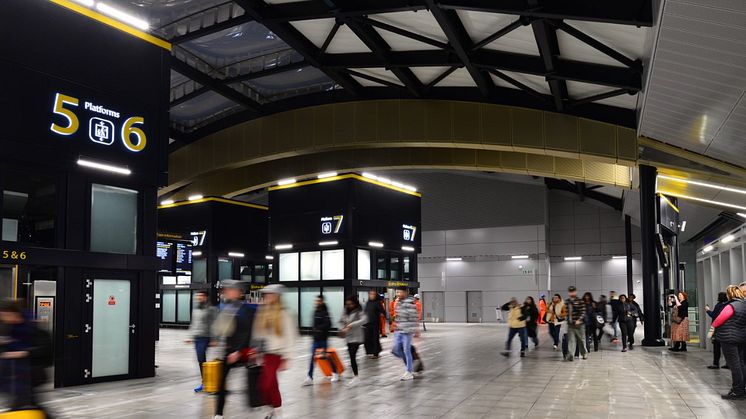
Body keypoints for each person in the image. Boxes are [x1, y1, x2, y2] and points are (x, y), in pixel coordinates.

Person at [0, 299, 54, 417]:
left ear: (14, 314)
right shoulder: (8, 328)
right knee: (30, 405)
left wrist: (23, 353)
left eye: (5, 315)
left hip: (31, 375)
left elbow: (44, 349)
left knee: (24, 405)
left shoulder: (32, 326)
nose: (4, 319)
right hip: (15, 376)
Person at [213, 280, 257, 419]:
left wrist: (238, 351)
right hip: (228, 351)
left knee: (250, 381)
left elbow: (249, 332)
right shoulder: (225, 308)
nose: (228, 292)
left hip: (241, 351)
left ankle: (258, 404)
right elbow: (222, 330)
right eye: (227, 290)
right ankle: (219, 414)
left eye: (231, 290)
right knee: (220, 383)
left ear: (239, 292)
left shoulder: (248, 309)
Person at [253, 284, 297, 418]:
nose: (267, 297)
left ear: (276, 297)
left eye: (270, 294)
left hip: (277, 355)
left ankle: (276, 410)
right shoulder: (262, 312)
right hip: (265, 354)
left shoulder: (284, 314)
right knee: (269, 385)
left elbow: (291, 336)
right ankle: (274, 409)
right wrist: (257, 352)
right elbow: (258, 334)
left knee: (266, 385)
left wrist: (287, 357)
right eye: (266, 295)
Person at [710, 285, 746, 399]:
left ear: (730, 294)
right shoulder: (744, 305)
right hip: (740, 337)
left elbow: (718, 320)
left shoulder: (731, 306)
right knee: (741, 363)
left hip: (728, 338)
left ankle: (737, 391)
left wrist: (711, 331)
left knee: (734, 364)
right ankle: (742, 388)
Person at [185, 290, 216, 393]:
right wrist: (190, 336)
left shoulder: (211, 309)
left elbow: (214, 324)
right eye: (198, 296)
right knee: (200, 360)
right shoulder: (196, 309)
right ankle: (205, 382)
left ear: (206, 297)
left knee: (202, 359)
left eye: (201, 296)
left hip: (205, 337)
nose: (199, 298)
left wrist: (214, 338)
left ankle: (206, 383)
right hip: (197, 337)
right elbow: (193, 323)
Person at [303, 295, 336, 385]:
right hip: (315, 340)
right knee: (312, 358)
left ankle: (335, 372)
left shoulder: (325, 312)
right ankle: (310, 377)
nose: (316, 302)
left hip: (323, 339)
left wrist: (318, 329)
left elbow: (328, 324)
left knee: (325, 356)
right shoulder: (315, 312)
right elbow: (314, 324)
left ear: (322, 302)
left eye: (318, 301)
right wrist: (313, 331)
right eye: (316, 301)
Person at [391, 288, 418, 381]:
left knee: (406, 350)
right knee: (397, 349)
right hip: (398, 329)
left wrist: (414, 330)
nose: (398, 293)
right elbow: (396, 315)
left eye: (400, 292)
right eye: (397, 292)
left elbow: (414, 317)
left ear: (406, 292)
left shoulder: (410, 303)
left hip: (407, 330)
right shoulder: (398, 302)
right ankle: (410, 365)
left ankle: (409, 371)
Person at [339, 296, 368, 386]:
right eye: (348, 304)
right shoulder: (345, 310)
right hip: (348, 337)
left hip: (356, 337)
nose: (349, 305)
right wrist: (341, 329)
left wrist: (351, 325)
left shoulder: (359, 310)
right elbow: (341, 321)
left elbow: (364, 320)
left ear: (355, 303)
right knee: (351, 357)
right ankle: (356, 377)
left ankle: (356, 377)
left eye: (351, 304)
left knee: (352, 356)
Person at [706, 292, 729, 369]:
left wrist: (707, 310)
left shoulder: (719, 305)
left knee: (716, 346)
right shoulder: (728, 305)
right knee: (726, 346)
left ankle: (716, 363)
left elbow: (713, 315)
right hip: (725, 328)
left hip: (716, 328)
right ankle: (728, 363)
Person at [565, 286, 588, 361]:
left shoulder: (580, 301)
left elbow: (583, 312)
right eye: (570, 291)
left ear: (576, 292)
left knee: (581, 340)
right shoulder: (567, 301)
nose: (572, 293)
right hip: (570, 324)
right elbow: (566, 312)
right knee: (571, 340)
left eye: (573, 291)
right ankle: (571, 354)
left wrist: (579, 319)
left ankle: (584, 353)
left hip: (579, 325)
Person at [363, 290, 385, 359]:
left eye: (373, 294)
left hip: (375, 324)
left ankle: (376, 353)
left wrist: (381, 314)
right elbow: (365, 312)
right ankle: (369, 351)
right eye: (370, 294)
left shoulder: (377, 303)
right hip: (367, 323)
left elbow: (383, 312)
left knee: (375, 339)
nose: (371, 295)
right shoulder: (368, 303)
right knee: (367, 338)